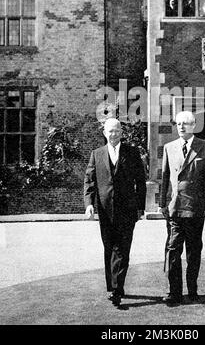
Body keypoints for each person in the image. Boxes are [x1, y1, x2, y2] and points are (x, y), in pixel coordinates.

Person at [84, 118, 146, 307]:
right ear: (104, 133)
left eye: (117, 131)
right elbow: (89, 180)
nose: (113, 135)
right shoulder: (97, 154)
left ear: (122, 132)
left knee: (122, 249)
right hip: (105, 210)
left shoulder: (132, 153)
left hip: (127, 210)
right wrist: (89, 203)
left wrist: (140, 208)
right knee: (109, 248)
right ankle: (112, 287)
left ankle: (116, 290)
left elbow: (141, 182)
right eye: (110, 131)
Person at [159, 111, 205, 305]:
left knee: (193, 251)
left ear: (194, 126)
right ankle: (173, 292)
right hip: (175, 208)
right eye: (178, 124)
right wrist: (161, 204)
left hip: (195, 208)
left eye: (186, 124)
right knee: (173, 249)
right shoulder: (169, 147)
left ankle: (192, 290)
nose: (181, 127)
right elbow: (165, 178)